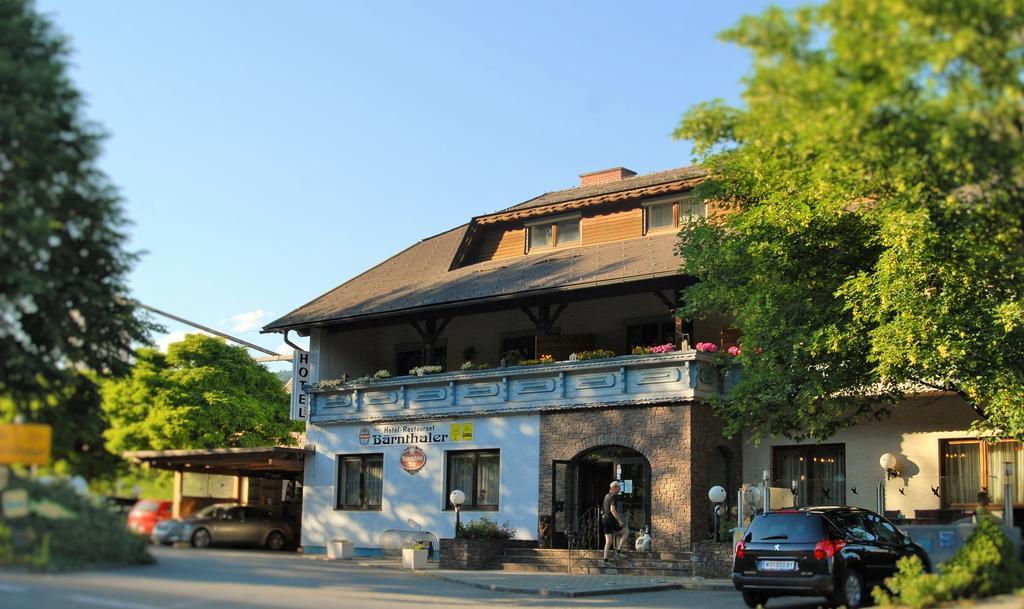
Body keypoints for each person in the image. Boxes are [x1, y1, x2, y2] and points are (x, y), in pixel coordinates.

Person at [602, 480, 628, 566]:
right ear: (614, 488)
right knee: (626, 532)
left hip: (604, 519)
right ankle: (618, 550)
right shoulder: (613, 496)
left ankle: (605, 560)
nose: (619, 490)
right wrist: (620, 520)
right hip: (610, 519)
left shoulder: (606, 496)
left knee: (608, 540)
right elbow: (612, 509)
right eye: (618, 488)